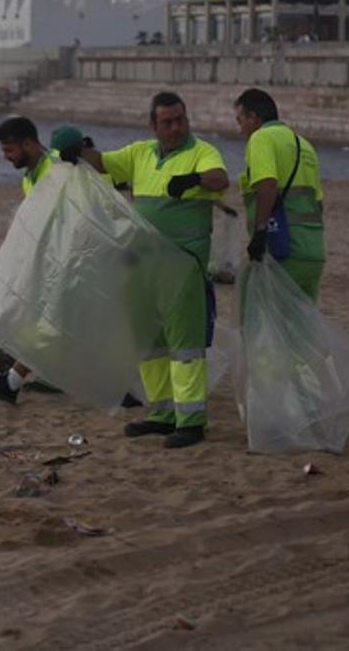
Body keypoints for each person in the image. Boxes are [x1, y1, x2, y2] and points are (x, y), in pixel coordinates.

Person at [72, 92, 229, 449]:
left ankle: (191, 421)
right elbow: (101, 164)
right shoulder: (140, 153)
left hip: (183, 265)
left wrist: (193, 181)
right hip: (145, 265)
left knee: (185, 346)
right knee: (152, 343)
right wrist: (77, 149)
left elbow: (220, 179)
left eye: (180, 120)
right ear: (153, 125)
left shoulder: (201, 152)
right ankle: (162, 413)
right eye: (168, 122)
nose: (176, 127)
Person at [0, 117, 61, 405]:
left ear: (29, 143)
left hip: (70, 258)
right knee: (52, 321)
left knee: (48, 321)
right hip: (51, 259)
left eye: (10, 150)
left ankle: (12, 382)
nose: (5, 156)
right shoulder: (29, 177)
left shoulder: (59, 166)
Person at [234, 88, 326, 302]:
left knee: (261, 319)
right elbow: (318, 203)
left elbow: (267, 184)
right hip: (313, 251)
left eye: (240, 121)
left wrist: (259, 232)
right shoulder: (304, 145)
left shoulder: (261, 138)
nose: (240, 130)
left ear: (253, 118)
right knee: (300, 327)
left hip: (283, 250)